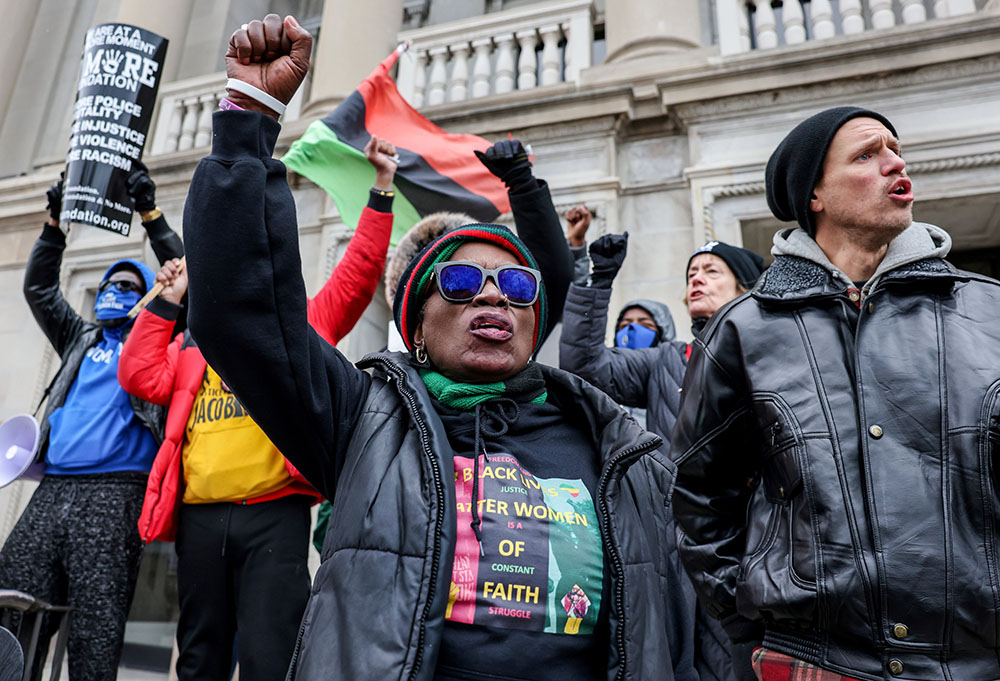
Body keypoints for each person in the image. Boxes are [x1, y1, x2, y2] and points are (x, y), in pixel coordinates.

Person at [182, 14, 691, 681]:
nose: (492, 297)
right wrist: (250, 117)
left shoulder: (623, 447)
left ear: (534, 325)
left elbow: (686, 629)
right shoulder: (361, 421)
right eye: (459, 281)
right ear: (416, 328)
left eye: (515, 284)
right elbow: (241, 309)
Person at [670, 106, 1000, 681]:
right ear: (813, 194)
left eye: (895, 149)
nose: (895, 161)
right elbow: (700, 498)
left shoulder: (989, 309)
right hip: (811, 661)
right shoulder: (745, 328)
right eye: (867, 154)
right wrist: (752, 625)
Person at [118, 135, 398, 680]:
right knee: (199, 655)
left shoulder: (305, 327)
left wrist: (382, 189)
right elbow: (138, 374)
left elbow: (359, 271)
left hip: (276, 515)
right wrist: (168, 305)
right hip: (201, 518)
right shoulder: (194, 343)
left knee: (272, 656)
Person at [0, 165, 183, 680]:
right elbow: (39, 290)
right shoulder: (82, 338)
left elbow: (187, 274)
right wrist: (53, 225)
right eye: (107, 282)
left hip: (115, 494)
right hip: (52, 491)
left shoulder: (160, 338)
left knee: (95, 632)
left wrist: (151, 214)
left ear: (146, 292)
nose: (112, 290)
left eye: (126, 284)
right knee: (11, 613)